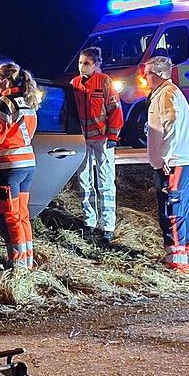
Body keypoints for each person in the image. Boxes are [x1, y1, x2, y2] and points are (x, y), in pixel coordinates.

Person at [0, 63, 43, 269]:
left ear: (5, 80)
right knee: (22, 215)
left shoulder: (3, 104)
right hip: (26, 166)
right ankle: (26, 261)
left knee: (9, 217)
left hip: (7, 168)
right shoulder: (28, 103)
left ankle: (16, 266)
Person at [144, 56, 189, 271]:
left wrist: (166, 156)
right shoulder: (164, 93)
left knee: (173, 210)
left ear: (159, 75)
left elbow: (173, 124)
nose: (144, 77)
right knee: (182, 210)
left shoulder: (167, 94)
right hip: (181, 161)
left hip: (177, 162)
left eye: (147, 73)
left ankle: (177, 262)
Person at [70, 47, 123, 243]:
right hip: (83, 139)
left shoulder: (104, 82)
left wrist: (112, 136)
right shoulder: (74, 83)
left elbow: (115, 110)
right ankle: (89, 221)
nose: (81, 66)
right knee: (84, 180)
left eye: (86, 63)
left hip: (103, 139)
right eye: (80, 62)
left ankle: (108, 226)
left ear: (96, 65)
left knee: (106, 182)